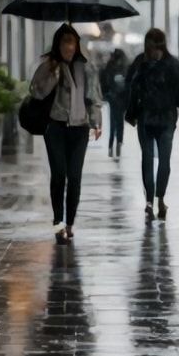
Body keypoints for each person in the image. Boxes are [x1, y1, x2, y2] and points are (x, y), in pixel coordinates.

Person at [31, 24, 102, 241]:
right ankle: (58, 222)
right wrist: (53, 75)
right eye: (64, 42)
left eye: (71, 42)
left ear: (76, 45)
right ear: (58, 44)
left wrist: (96, 122)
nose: (68, 47)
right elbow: (36, 92)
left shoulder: (85, 66)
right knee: (59, 175)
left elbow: (93, 97)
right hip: (56, 127)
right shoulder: (49, 65)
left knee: (75, 177)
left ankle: (70, 222)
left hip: (79, 128)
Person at [125, 28, 179, 221]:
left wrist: (131, 113)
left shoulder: (142, 62)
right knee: (156, 159)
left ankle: (156, 199)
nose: (153, 50)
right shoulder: (171, 64)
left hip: (154, 118)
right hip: (159, 118)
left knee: (157, 160)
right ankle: (154, 200)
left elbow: (131, 87)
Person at [101, 49, 130, 158]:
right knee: (120, 122)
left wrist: (106, 94)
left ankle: (111, 144)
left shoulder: (110, 66)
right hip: (121, 98)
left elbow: (105, 81)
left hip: (113, 97)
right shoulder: (125, 67)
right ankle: (119, 142)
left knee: (113, 121)